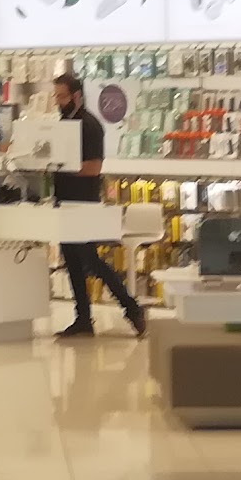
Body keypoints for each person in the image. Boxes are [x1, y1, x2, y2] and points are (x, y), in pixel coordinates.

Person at [51, 71, 146, 339]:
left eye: (62, 96)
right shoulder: (64, 123)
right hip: (65, 202)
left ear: (76, 95)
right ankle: (83, 318)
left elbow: (93, 168)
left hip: (84, 204)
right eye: (56, 96)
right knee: (72, 260)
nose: (58, 102)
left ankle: (132, 309)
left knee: (91, 260)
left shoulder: (90, 125)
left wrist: (61, 167)